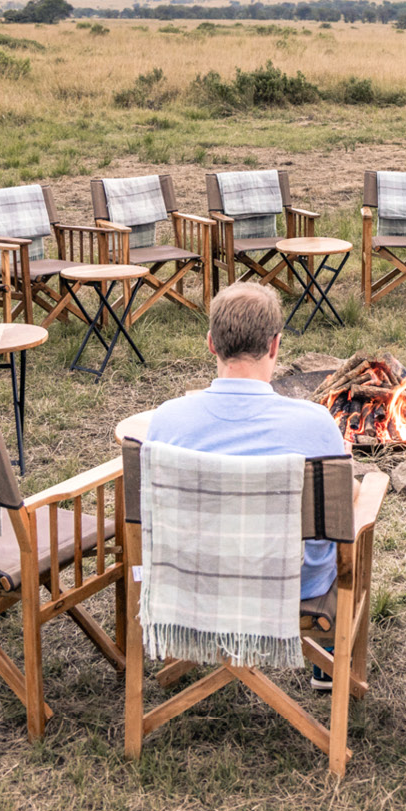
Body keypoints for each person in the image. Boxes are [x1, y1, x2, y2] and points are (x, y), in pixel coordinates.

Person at [142, 282, 346, 686]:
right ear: (275, 345)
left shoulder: (167, 420)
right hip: (293, 588)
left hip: (193, 579)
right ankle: (326, 659)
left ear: (211, 344)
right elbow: (342, 508)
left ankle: (183, 648)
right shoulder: (315, 423)